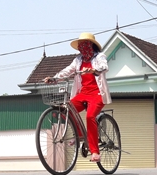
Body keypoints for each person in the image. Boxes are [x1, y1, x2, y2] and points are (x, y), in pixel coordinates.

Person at [44, 32, 111, 162]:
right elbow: (68, 70)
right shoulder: (78, 60)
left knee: (90, 116)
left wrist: (93, 70)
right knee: (65, 109)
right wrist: (54, 78)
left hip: (97, 94)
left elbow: (104, 66)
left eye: (85, 44)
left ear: (91, 45)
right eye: (80, 45)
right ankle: (80, 135)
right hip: (83, 93)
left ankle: (95, 152)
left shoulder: (99, 57)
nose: (82, 47)